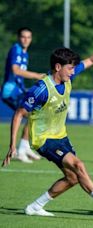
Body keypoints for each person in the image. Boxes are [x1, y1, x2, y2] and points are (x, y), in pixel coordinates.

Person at [2, 40, 93, 222]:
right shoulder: (41, 90)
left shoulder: (68, 76)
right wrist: (13, 146)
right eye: (70, 68)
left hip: (61, 136)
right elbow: (18, 114)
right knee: (79, 165)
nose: (73, 72)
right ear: (58, 67)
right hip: (44, 140)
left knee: (72, 178)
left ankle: (35, 206)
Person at [1, 27, 44, 163]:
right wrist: (36, 75)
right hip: (10, 91)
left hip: (18, 90)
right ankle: (21, 148)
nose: (26, 39)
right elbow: (15, 70)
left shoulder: (24, 54)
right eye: (23, 37)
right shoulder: (16, 49)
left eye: (28, 37)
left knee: (36, 113)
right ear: (18, 38)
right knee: (32, 114)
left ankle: (24, 147)